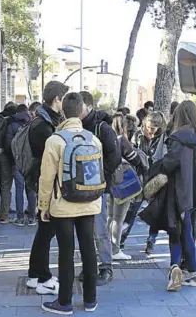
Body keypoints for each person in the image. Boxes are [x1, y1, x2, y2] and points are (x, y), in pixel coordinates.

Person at [40, 92, 101, 315]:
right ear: (82, 111)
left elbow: (46, 179)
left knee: (66, 251)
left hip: (63, 204)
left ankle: (64, 302)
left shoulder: (55, 141)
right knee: (88, 249)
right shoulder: (93, 139)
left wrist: (43, 206)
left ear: (63, 111)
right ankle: (90, 301)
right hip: (89, 202)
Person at [149, 100, 196, 291]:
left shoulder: (177, 137)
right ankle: (177, 268)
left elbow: (170, 164)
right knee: (184, 230)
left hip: (179, 192)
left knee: (179, 231)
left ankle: (192, 273)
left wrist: (156, 167)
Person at [27, 81, 69, 295]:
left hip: (46, 180)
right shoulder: (43, 125)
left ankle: (35, 274)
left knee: (44, 230)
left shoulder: (44, 120)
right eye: (64, 99)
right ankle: (43, 278)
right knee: (47, 229)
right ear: (57, 100)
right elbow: (52, 158)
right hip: (47, 182)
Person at [80, 91, 122, 285]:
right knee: (84, 230)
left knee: (99, 229)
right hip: (79, 187)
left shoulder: (102, 128)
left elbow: (115, 157)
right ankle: (89, 265)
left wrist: (99, 177)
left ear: (88, 107)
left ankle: (106, 266)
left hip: (98, 188)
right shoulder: (75, 126)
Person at [126, 111, 167, 254]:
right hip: (140, 177)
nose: (150, 132)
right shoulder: (137, 135)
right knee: (131, 211)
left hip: (156, 179)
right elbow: (131, 153)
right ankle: (121, 240)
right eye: (148, 128)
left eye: (154, 129)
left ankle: (151, 240)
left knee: (155, 212)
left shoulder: (163, 137)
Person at [108, 113, 141, 260]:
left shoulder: (107, 140)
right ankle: (115, 249)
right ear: (124, 126)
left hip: (110, 183)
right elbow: (136, 159)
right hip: (123, 183)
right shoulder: (122, 141)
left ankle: (107, 246)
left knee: (110, 216)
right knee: (118, 218)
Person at [5, 104, 37, 226]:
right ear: (27, 112)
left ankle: (19, 217)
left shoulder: (11, 125)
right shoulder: (32, 124)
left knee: (19, 188)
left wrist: (14, 157)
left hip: (17, 161)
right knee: (31, 189)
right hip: (30, 162)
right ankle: (32, 217)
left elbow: (8, 145)